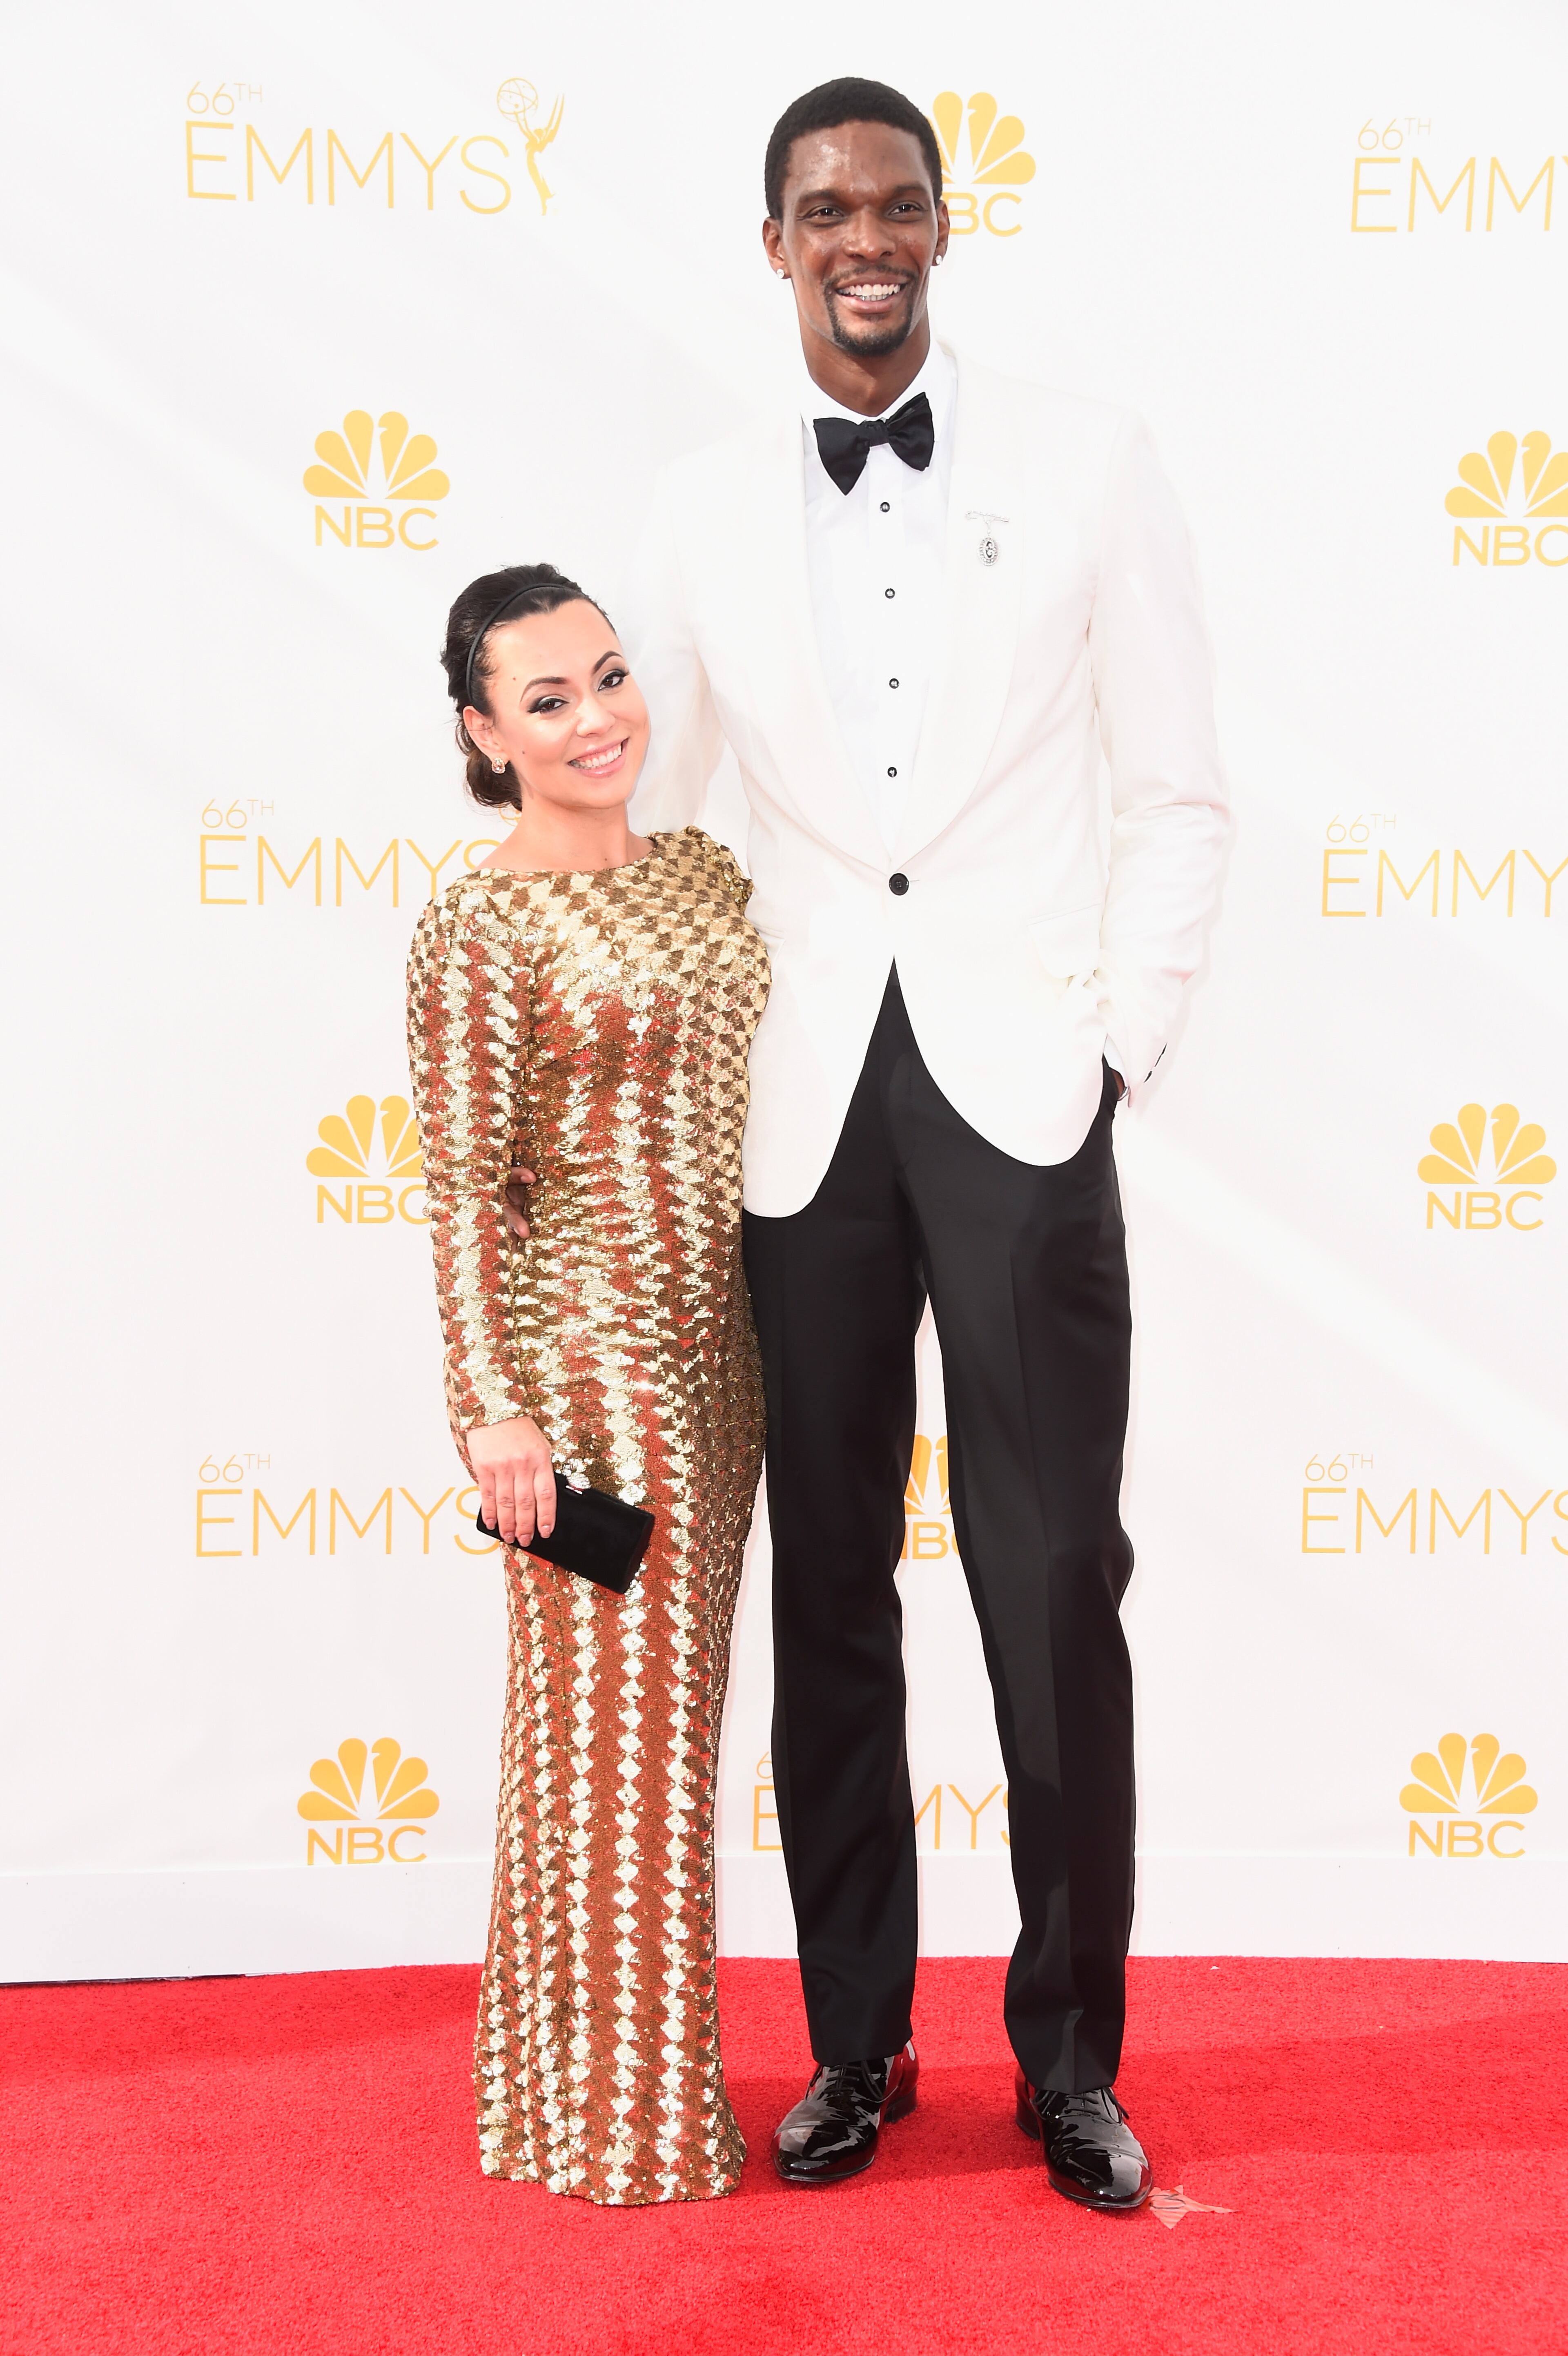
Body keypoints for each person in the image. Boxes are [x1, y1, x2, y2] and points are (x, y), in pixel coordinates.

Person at [616, 78, 1229, 2208]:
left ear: (945, 230)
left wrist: (1114, 1049)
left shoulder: (1088, 463)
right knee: (831, 1601)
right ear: (774, 244)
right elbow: (659, 781)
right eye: (822, 212)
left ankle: (1071, 2053)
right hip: (807, 1112)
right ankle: (856, 2041)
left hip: (1020, 1095)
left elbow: (1177, 787)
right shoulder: (697, 501)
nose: (862, 241)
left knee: (1056, 1580)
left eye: (894, 204)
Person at [406, 563, 770, 2205]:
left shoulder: (704, 881)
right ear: (485, 734)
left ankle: (552, 2095)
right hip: (586, 1394)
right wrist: (492, 1410)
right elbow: (470, 1186)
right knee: (607, 1741)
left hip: (724, 1376)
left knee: (648, 1739)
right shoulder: (478, 923)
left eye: (608, 677)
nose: (595, 718)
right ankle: (621, 2129)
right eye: (545, 700)